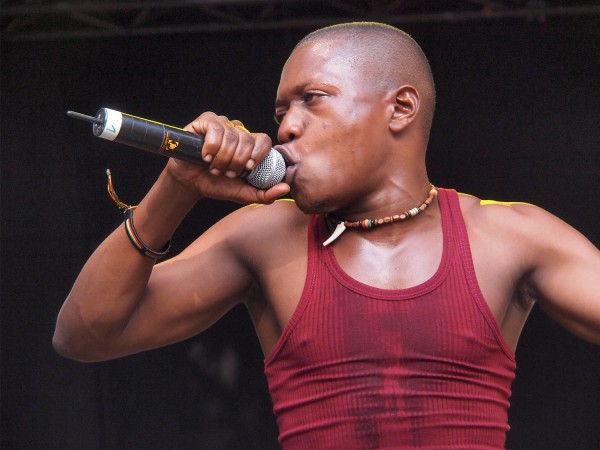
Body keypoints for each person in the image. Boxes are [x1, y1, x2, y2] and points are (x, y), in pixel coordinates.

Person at [53, 22, 600, 448]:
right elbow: (84, 335)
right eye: (281, 110)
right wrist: (177, 187)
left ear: (401, 108)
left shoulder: (509, 236)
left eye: (312, 98)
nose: (286, 126)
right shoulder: (264, 238)